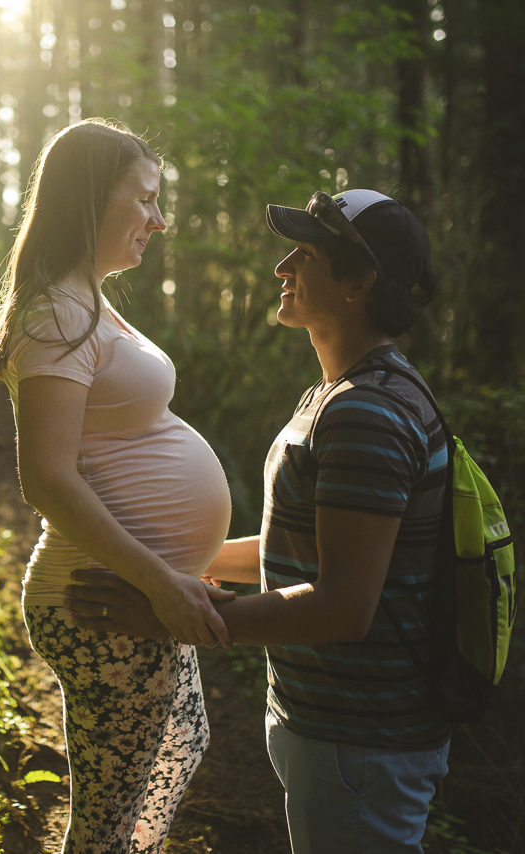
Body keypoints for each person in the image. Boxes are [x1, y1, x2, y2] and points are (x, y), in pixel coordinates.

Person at [65, 189, 450, 853]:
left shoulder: (368, 411)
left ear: (360, 282)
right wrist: (173, 572)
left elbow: (342, 607)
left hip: (360, 737)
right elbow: (297, 552)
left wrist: (171, 615)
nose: (282, 266)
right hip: (334, 729)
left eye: (306, 253)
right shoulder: (340, 394)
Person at [0, 118, 234, 853]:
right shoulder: (57, 311)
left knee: (144, 788)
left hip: (128, 593)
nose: (160, 219)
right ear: (93, 198)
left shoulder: (86, 301)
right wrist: (160, 580)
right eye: (145, 198)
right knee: (106, 828)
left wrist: (182, 571)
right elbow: (47, 481)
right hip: (100, 600)